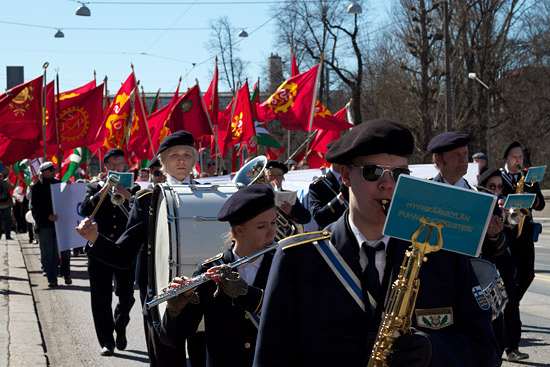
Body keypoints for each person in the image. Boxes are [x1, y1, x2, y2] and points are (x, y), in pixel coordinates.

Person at [253, 119, 500, 367]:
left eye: (398, 174)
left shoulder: (442, 253)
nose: (387, 184)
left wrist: (435, 350)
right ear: (346, 176)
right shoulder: (298, 258)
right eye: (373, 171)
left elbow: (486, 351)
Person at [76, 131, 206, 366]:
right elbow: (124, 255)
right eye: (174, 155)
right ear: (163, 163)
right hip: (160, 302)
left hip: (201, 301)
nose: (181, 160)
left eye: (187, 155)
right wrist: (95, 238)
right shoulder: (147, 200)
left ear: (194, 160)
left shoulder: (207, 196)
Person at [160, 184, 277, 367]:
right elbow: (172, 339)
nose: (272, 232)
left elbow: (292, 317)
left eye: (274, 223)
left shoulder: (283, 265)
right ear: (240, 230)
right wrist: (176, 308)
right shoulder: (212, 269)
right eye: (262, 226)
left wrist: (247, 294)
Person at [80, 148, 140, 356]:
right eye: (112, 165)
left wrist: (127, 195)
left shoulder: (135, 187)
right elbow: (85, 209)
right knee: (100, 298)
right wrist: (104, 190)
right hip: (99, 248)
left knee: (127, 296)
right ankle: (106, 341)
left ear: (125, 165)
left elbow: (141, 213)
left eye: (119, 164)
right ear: (105, 167)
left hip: (125, 250)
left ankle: (120, 324)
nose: (116, 167)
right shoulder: (94, 186)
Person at [499, 140, 545, 361]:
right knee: (508, 284)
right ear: (506, 158)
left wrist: (531, 194)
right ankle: (511, 344)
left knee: (528, 275)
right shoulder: (499, 178)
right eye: (515, 157)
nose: (518, 161)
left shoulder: (527, 180)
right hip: (506, 238)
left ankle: (511, 305)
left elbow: (541, 205)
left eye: (521, 157)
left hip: (524, 238)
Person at [477, 168, 524, 361]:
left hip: (504, 259)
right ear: (483, 187)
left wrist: (504, 219)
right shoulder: (481, 201)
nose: (496, 191)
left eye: (499, 187)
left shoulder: (502, 203)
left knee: (511, 301)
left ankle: (512, 346)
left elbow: (511, 235)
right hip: (486, 266)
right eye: (491, 187)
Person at [30, 162, 71, 287]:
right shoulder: (36, 187)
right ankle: (52, 278)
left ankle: (66, 273)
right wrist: (47, 216)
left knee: (65, 251)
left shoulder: (58, 184)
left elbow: (67, 199)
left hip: (60, 224)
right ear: (43, 172)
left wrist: (68, 187)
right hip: (45, 225)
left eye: (53, 169)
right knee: (49, 253)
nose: (53, 172)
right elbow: (35, 208)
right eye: (50, 170)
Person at [264, 160, 311, 226]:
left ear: (283, 177)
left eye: (279, 175)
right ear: (266, 177)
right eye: (271, 175)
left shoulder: (289, 195)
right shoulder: (260, 195)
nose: (275, 178)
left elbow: (306, 218)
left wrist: (291, 212)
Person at [308, 162, 348, 229]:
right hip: (332, 234)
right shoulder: (318, 184)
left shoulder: (355, 179)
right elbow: (319, 217)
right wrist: (339, 199)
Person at [0, 171, 14, 240]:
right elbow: (12, 188)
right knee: (7, 220)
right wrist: (8, 182)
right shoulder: (5, 183)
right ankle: (7, 235)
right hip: (6, 204)